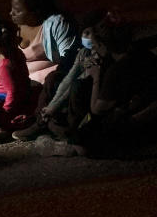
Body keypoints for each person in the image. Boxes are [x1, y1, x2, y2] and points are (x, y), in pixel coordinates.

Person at [35, 18, 157, 158]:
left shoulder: (117, 69)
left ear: (103, 45)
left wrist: (96, 77)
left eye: (94, 45)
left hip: (144, 117)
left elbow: (97, 109)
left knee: (84, 139)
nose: (93, 48)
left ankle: (137, 150)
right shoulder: (139, 53)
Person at [12, 9, 106, 142]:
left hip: (96, 97)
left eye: (95, 32)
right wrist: (51, 108)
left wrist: (54, 106)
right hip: (78, 88)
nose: (91, 37)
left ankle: (73, 131)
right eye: (86, 33)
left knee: (77, 86)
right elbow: (69, 78)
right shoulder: (83, 54)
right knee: (55, 79)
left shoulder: (104, 54)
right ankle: (42, 122)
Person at [9, 0, 79, 85]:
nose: (11, 13)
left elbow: (69, 58)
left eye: (18, 11)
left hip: (50, 84)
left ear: (35, 11)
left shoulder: (57, 23)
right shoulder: (14, 29)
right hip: (23, 85)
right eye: (12, 9)